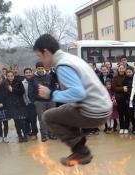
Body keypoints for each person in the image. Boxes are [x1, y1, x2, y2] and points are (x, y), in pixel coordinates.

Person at [34, 34, 112, 166]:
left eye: (39, 56)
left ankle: (81, 151)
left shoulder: (63, 65)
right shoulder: (72, 59)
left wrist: (51, 94)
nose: (40, 60)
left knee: (48, 117)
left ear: (46, 52)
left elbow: (78, 93)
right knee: (64, 111)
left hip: (93, 112)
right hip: (103, 107)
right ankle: (80, 142)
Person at [28, 62, 57, 142]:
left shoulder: (49, 76)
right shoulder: (33, 78)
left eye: (41, 68)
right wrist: (34, 101)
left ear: (44, 68)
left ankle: (52, 134)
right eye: (38, 68)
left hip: (50, 101)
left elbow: (54, 87)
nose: (40, 70)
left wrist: (52, 96)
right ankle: (44, 135)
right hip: (39, 102)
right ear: (36, 69)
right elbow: (30, 92)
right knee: (42, 119)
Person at [6, 70, 28, 143]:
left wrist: (13, 89)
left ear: (13, 75)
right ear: (6, 76)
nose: (10, 77)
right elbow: (5, 94)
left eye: (11, 76)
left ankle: (25, 135)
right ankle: (19, 136)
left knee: (22, 121)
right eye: (8, 76)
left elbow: (22, 91)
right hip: (11, 105)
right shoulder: (5, 83)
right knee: (16, 121)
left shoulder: (18, 82)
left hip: (20, 104)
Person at [112, 64, 130, 134]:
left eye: (123, 68)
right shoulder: (115, 78)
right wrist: (122, 88)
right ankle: (122, 127)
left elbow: (129, 86)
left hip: (127, 98)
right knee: (121, 113)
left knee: (127, 114)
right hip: (119, 98)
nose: (121, 70)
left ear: (125, 69)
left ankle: (126, 127)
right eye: (120, 68)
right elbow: (114, 88)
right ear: (118, 69)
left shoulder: (127, 76)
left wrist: (125, 89)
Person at [22, 67, 38, 140]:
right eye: (26, 72)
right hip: (26, 103)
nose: (28, 74)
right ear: (24, 74)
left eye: (29, 72)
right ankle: (28, 132)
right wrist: (25, 102)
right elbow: (23, 94)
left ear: (32, 73)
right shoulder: (22, 83)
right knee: (26, 119)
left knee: (33, 119)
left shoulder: (35, 80)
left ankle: (34, 133)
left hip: (34, 103)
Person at [125, 67, 135, 134]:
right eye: (127, 72)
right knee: (131, 114)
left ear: (133, 72)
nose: (129, 73)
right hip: (128, 100)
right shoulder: (125, 80)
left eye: (130, 72)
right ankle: (134, 128)